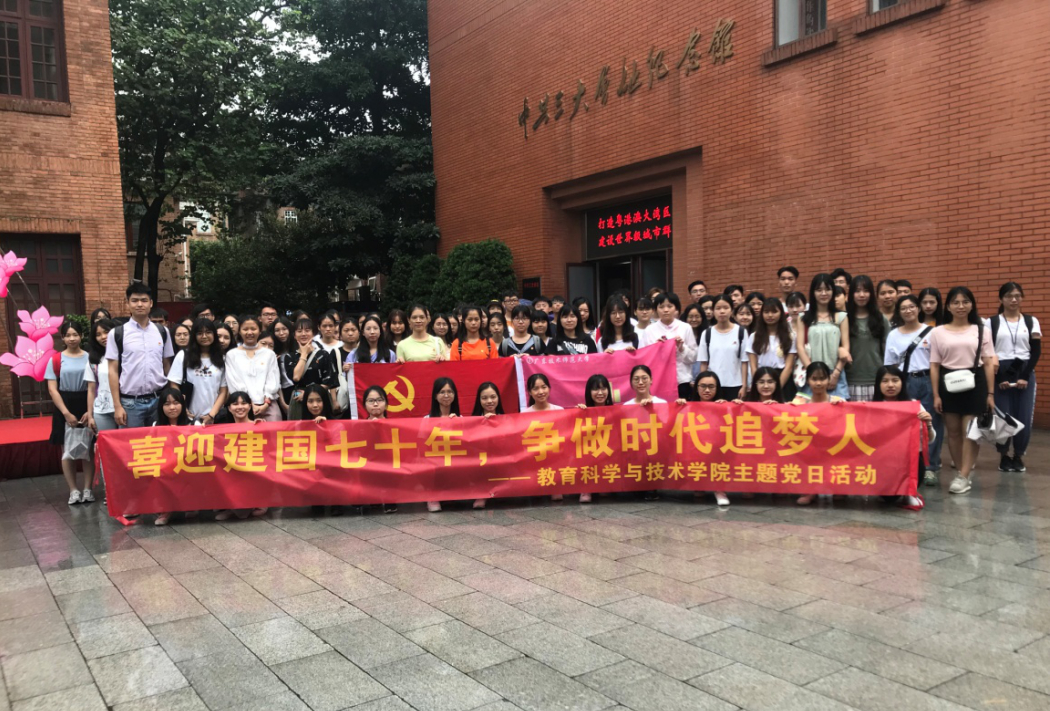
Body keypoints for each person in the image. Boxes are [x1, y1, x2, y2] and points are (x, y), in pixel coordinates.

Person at [929, 286, 995, 495]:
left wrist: (990, 394)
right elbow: (934, 365)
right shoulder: (937, 332)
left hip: (975, 382)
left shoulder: (982, 330)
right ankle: (961, 472)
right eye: (955, 302)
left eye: (965, 301)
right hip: (948, 383)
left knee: (970, 432)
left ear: (972, 305)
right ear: (948, 306)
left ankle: (964, 475)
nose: (961, 306)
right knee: (954, 432)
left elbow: (988, 362)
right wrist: (936, 394)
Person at [884, 294, 942, 486]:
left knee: (930, 422)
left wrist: (937, 392)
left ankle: (931, 468)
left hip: (928, 379)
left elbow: (937, 362)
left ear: (918, 308)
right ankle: (908, 465)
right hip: (904, 381)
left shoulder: (932, 332)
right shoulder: (893, 335)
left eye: (911, 307)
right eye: (903, 308)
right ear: (899, 312)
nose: (908, 311)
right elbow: (890, 365)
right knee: (905, 425)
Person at [106, 282, 175, 430]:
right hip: (130, 403)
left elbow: (167, 366)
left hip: (159, 400)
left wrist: (171, 397)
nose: (139, 304)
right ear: (128, 303)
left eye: (144, 300)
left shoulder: (162, 332)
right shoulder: (117, 333)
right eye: (134, 300)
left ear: (151, 303)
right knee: (131, 443)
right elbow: (112, 371)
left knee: (159, 441)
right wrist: (117, 406)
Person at [988, 281, 1040, 473]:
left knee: (1023, 415)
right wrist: (999, 376)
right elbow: (988, 351)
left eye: (1017, 296)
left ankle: (1018, 455)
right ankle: (1004, 455)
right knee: (1003, 416)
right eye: (1009, 296)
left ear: (1022, 298)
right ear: (1001, 299)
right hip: (1000, 369)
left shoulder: (1031, 321)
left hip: (1024, 370)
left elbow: (1035, 351)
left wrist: (1025, 375)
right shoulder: (991, 322)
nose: (1013, 299)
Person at [47, 319, 94, 505]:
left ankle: (88, 489)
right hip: (64, 404)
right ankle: (73, 490)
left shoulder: (90, 357)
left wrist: (90, 411)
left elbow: (93, 387)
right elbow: (53, 389)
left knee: (88, 448)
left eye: (75, 335)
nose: (72, 338)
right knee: (67, 450)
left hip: (86, 401)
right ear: (62, 338)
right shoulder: (56, 360)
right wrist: (66, 413)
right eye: (68, 335)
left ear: (81, 336)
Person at [873, 365, 932, 509]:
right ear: (878, 385)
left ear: (902, 382)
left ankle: (910, 491)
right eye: (885, 381)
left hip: (908, 460)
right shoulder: (871, 407)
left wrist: (928, 425)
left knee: (916, 459)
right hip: (882, 461)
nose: (890, 385)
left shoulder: (913, 406)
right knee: (888, 499)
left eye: (895, 380)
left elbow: (930, 439)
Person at [672, 371, 730, 506]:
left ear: (717, 388)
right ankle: (698, 483)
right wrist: (678, 407)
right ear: (696, 387)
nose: (707, 390)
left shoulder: (724, 406)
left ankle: (719, 490)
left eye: (711, 386)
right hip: (695, 450)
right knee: (698, 493)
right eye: (703, 386)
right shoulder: (688, 406)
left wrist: (734, 406)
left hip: (717, 450)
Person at [792, 362, 844, 505]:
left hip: (833, 447)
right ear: (807, 380)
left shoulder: (839, 402)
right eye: (814, 379)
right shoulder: (799, 401)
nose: (819, 383)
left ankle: (837, 487)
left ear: (829, 379)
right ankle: (810, 490)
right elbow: (781, 416)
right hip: (808, 447)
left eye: (822, 378)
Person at [795, 273, 850, 400]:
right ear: (813, 293)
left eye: (827, 289)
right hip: (812, 374)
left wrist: (835, 374)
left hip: (835, 372)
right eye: (819, 290)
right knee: (810, 410)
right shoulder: (803, 318)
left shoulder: (841, 317)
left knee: (839, 409)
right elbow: (800, 347)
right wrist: (813, 373)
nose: (823, 293)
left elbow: (846, 347)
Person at [215, 391, 267, 521]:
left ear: (250, 406)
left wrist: (262, 427)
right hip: (233, 475)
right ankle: (231, 508)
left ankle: (257, 503)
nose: (240, 407)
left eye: (244, 403)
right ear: (229, 408)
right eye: (235, 404)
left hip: (254, 476)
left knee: (245, 514)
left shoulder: (259, 426)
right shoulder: (223, 430)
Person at [149, 387, 197, 525]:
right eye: (167, 404)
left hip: (188, 463)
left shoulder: (194, 424)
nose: (172, 407)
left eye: (176, 403)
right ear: (161, 407)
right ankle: (165, 510)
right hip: (166, 464)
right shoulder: (156, 425)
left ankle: (192, 504)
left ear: (182, 404)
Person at [168, 318, 228, 424]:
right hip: (188, 416)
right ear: (194, 336)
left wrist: (212, 414)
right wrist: (183, 408)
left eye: (208, 332)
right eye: (200, 333)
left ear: (214, 334)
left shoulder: (222, 358)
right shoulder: (183, 355)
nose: (204, 336)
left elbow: (223, 391)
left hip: (213, 417)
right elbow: (174, 384)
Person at [224, 315, 282, 422]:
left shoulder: (269, 354)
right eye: (245, 329)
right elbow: (234, 382)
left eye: (253, 329)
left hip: (268, 405)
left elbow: (273, 379)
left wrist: (266, 403)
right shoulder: (232, 355)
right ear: (239, 331)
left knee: (273, 432)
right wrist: (249, 403)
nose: (249, 332)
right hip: (242, 407)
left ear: (260, 331)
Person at [640, 292, 697, 400]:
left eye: (670, 306)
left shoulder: (685, 327)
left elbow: (693, 357)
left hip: (681, 380)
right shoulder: (649, 330)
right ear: (656, 309)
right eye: (661, 307)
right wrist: (655, 348)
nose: (666, 310)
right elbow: (643, 358)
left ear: (676, 308)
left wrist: (682, 348)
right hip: (658, 380)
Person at [285, 317, 340, 420]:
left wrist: (308, 394)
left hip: (320, 397)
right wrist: (304, 354)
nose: (303, 334)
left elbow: (329, 380)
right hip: (298, 398)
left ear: (313, 333)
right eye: (299, 331)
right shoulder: (290, 357)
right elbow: (296, 377)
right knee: (299, 428)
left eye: (307, 330)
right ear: (294, 335)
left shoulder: (323, 354)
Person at [698, 295, 748, 401]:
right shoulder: (707, 333)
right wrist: (702, 386)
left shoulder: (741, 332)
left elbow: (744, 362)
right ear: (713, 311)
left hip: (735, 384)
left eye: (726, 308)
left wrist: (744, 386)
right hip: (712, 387)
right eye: (718, 308)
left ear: (732, 310)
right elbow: (703, 363)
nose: (722, 311)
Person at [845, 276, 887, 402]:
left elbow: (888, 350)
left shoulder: (881, 319)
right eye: (857, 291)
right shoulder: (844, 319)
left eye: (866, 291)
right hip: (851, 380)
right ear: (851, 294)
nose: (862, 295)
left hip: (877, 380)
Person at [573, 374, 614, 504]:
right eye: (596, 389)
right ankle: (586, 487)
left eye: (603, 388)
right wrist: (577, 414)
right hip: (590, 454)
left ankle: (605, 481)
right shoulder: (583, 411)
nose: (600, 393)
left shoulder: (616, 411)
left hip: (609, 453)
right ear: (589, 392)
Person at [425, 377, 461, 512]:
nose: (446, 395)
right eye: (442, 392)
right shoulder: (427, 420)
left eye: (450, 392)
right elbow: (421, 445)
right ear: (435, 396)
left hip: (455, 459)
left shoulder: (460, 419)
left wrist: (457, 424)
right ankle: (432, 496)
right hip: (435, 461)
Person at [360, 386, 397, 513]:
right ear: (364, 405)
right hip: (368, 466)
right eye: (371, 401)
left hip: (390, 465)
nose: (375, 404)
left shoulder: (395, 426)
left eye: (379, 400)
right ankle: (372, 497)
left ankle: (390, 498)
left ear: (386, 404)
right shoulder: (359, 426)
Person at [747, 298, 797, 393]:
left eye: (774, 312)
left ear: (781, 313)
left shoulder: (790, 336)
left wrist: (777, 388)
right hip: (761, 379)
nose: (770, 315)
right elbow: (753, 366)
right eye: (766, 312)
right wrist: (760, 384)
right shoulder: (754, 336)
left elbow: (789, 366)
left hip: (783, 379)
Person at [470, 382, 506, 509]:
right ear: (479, 400)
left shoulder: (507, 419)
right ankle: (482, 494)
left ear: (498, 398)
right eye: (484, 398)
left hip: (502, 461)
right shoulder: (472, 422)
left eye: (493, 397)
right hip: (481, 461)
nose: (489, 401)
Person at [85, 319, 118, 443]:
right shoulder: (94, 360)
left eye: (106, 332)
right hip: (102, 411)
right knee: (107, 445)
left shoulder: (125, 355)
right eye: (98, 334)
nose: (103, 337)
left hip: (125, 407)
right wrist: (90, 415)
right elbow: (91, 389)